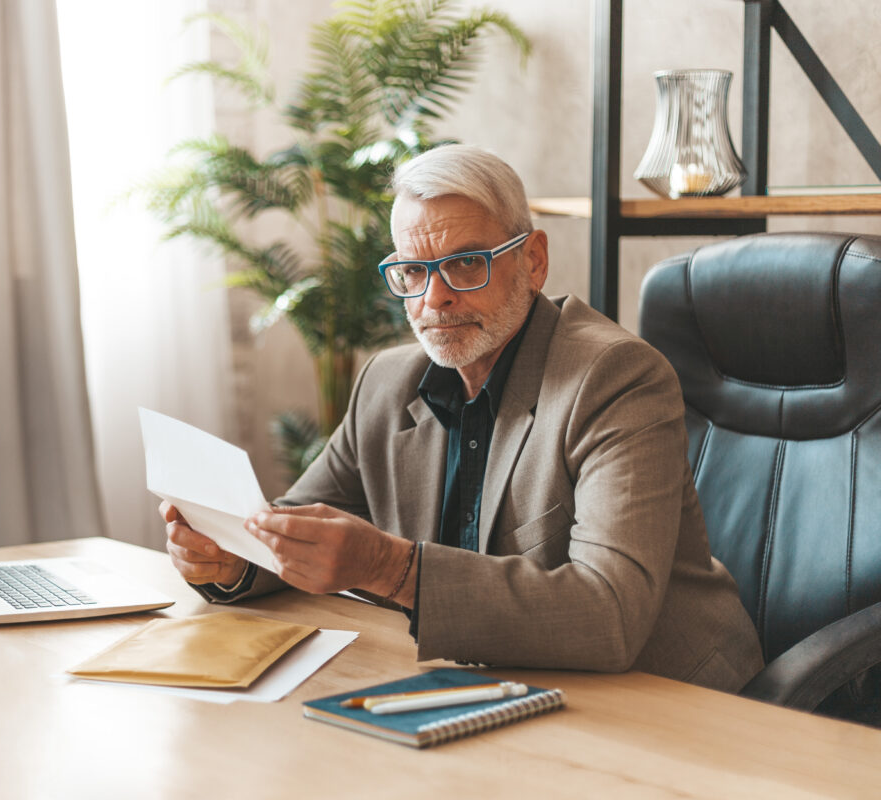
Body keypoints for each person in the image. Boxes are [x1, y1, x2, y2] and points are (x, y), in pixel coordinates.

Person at [160, 144, 764, 692]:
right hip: (494, 686)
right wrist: (237, 559)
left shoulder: (615, 377)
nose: (434, 299)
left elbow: (609, 613)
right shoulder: (385, 383)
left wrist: (388, 568)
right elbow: (300, 528)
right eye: (414, 271)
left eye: (466, 263)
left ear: (532, 261)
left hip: (666, 697)